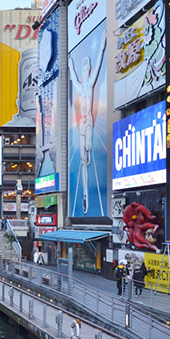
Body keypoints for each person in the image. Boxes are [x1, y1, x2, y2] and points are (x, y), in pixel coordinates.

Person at [69, 29, 107, 214]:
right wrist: (69, 65)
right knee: (83, 160)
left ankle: (89, 152)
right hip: (80, 125)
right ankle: (84, 195)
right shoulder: (79, 85)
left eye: (86, 68)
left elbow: (99, 62)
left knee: (89, 149)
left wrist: (102, 44)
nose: (84, 71)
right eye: (83, 69)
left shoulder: (90, 83)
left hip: (89, 122)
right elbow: (73, 75)